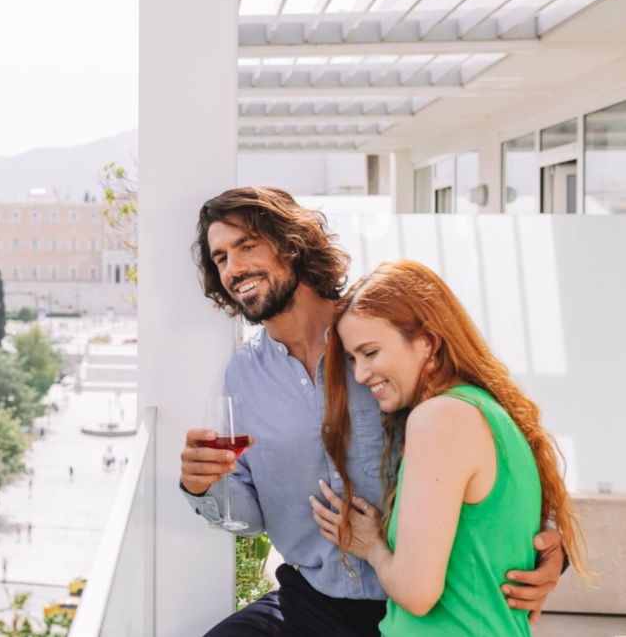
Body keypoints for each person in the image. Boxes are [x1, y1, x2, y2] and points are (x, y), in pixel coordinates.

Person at [178, 187, 566, 637]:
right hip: (314, 600)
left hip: (426, 603)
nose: (234, 268)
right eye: (220, 257)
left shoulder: (380, 334)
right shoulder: (244, 375)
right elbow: (250, 518)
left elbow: (494, 435)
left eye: (247, 246)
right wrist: (203, 484)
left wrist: (549, 541)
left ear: (291, 245)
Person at [311, 260, 587, 635]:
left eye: (371, 353)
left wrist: (371, 545)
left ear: (427, 342)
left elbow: (417, 592)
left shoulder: (440, 419)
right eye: (353, 359)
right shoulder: (481, 411)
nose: (360, 374)